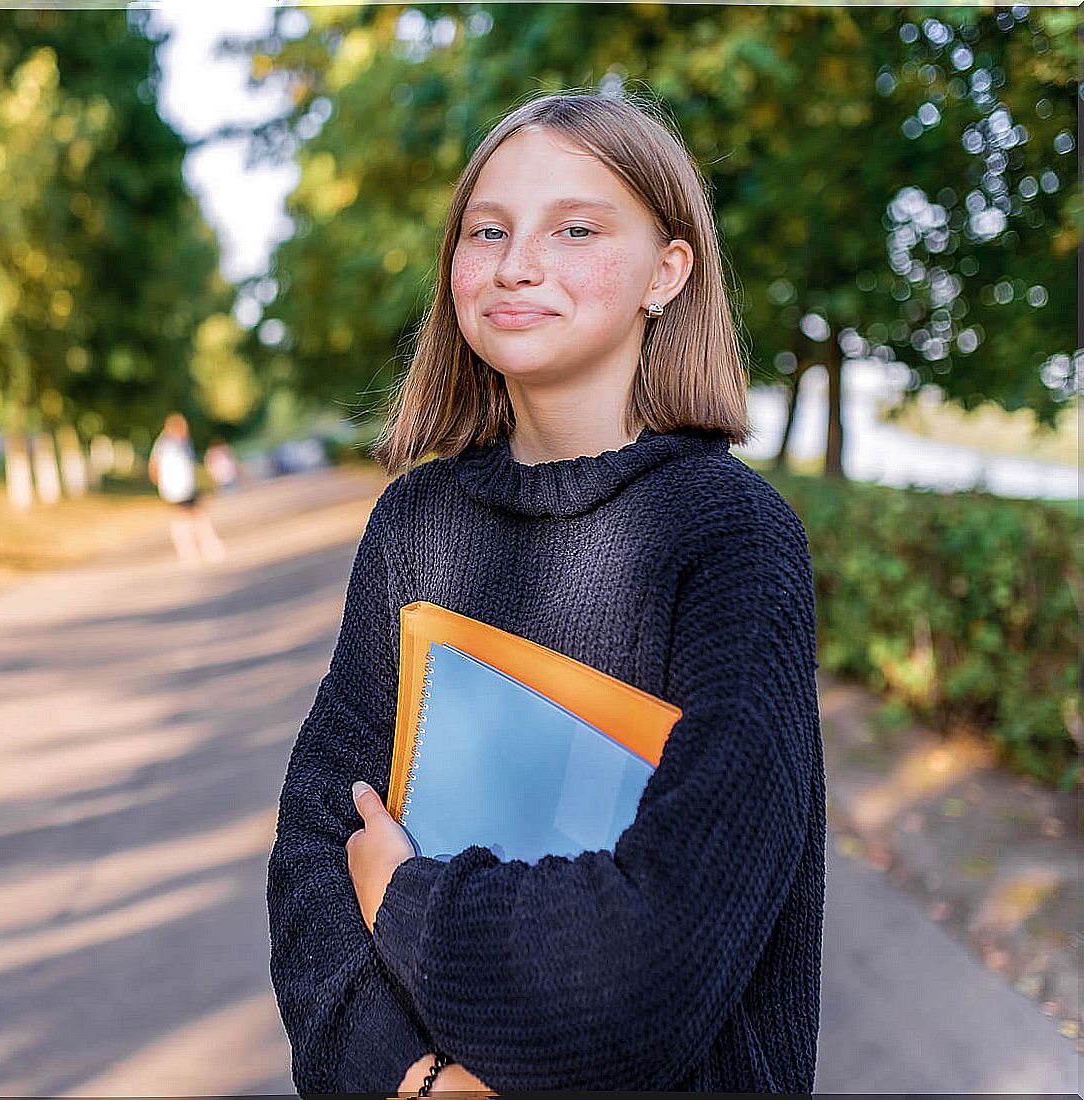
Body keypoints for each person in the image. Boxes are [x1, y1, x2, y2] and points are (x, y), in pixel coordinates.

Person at [266, 89, 826, 1095]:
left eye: (575, 228)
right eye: (489, 229)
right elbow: (315, 852)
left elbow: (653, 973)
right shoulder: (414, 525)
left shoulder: (735, 540)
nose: (518, 262)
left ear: (667, 272)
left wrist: (403, 895)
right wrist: (410, 1079)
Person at [148, 412, 226, 566]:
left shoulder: (180, 442)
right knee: (191, 518)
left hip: (184, 486)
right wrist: (163, 484)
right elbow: (154, 466)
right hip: (176, 488)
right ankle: (195, 549)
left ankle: (200, 548)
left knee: (194, 517)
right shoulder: (166, 444)